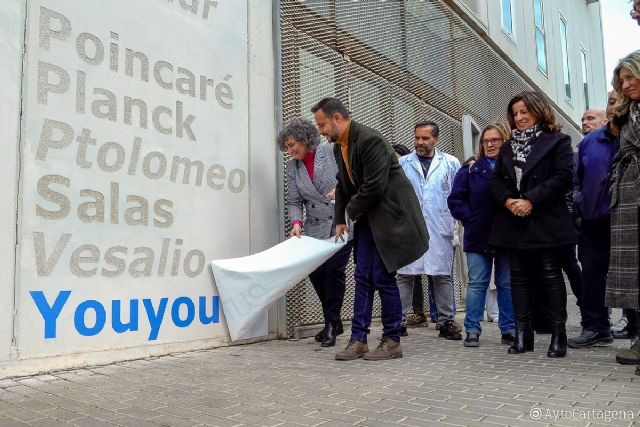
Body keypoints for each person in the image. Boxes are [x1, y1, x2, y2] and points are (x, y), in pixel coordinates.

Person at [311, 98, 429, 361]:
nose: (320, 131)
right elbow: (342, 184)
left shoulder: (370, 140)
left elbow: (374, 187)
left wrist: (350, 212)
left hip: (390, 219)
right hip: (367, 218)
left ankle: (392, 340)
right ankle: (358, 340)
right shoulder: (338, 147)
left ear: (337, 118)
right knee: (362, 276)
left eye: (322, 125)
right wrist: (340, 217)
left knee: (382, 277)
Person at [489, 91, 577, 357]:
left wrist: (530, 200)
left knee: (551, 274)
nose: (519, 118)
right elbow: (495, 181)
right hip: (513, 221)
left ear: (538, 110)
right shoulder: (506, 146)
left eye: (524, 111)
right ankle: (522, 333)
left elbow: (563, 177)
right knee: (518, 277)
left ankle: (558, 334)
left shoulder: (558, 141)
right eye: (515, 113)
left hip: (545, 219)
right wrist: (508, 201)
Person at [278, 118, 354, 348]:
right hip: (314, 227)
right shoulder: (293, 167)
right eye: (287, 147)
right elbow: (294, 201)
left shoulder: (331, 151)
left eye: (292, 145)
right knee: (316, 273)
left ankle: (331, 323)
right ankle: (335, 320)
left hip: (343, 222)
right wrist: (297, 222)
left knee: (333, 271)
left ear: (305, 139)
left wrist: (342, 189)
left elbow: (354, 176)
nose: (290, 151)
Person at [448, 123, 516, 347]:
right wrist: (470, 217)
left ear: (504, 141)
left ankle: (509, 329)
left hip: (507, 234)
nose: (490, 144)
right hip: (478, 234)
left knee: (506, 283)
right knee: (477, 283)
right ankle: (472, 330)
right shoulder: (470, 169)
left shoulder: (513, 168)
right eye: (486, 140)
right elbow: (455, 200)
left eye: (495, 140)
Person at [397, 121, 462, 340]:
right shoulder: (403, 163)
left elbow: (458, 195)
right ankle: (398, 322)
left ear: (436, 139)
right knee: (405, 275)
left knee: (442, 276)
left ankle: (445, 322)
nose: (420, 143)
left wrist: (455, 224)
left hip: (439, 226)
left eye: (425, 138)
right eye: (417, 138)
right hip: (410, 227)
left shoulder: (451, 163)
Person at [568, 94, 620, 349]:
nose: (585, 122)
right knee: (591, 275)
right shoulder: (588, 144)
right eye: (583, 119)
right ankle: (595, 327)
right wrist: (581, 204)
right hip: (591, 220)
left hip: (622, 218)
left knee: (625, 275)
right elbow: (577, 180)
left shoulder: (628, 138)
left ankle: (633, 327)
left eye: (591, 118)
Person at [607, 50, 640, 365]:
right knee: (634, 274)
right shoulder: (627, 114)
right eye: (622, 80)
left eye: (631, 77)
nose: (626, 85)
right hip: (630, 193)